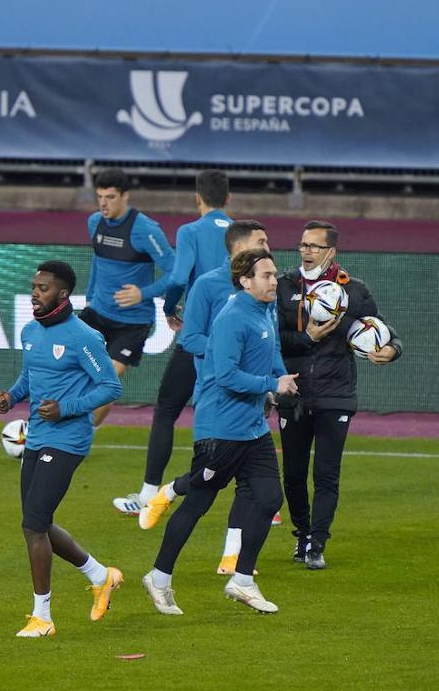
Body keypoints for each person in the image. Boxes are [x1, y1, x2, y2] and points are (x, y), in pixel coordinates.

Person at [141, 249, 296, 616]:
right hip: (220, 431)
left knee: (269, 497)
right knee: (198, 502)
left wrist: (285, 383)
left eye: (274, 274)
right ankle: (159, 577)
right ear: (245, 281)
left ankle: (242, 580)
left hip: (253, 429)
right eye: (266, 275)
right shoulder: (231, 318)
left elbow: (271, 354)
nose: (274, 281)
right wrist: (272, 384)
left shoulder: (264, 311)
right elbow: (226, 377)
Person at [0, 261, 124, 637]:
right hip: (36, 438)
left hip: (68, 440)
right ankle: (102, 576)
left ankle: (43, 618)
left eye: (43, 288)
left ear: (63, 294)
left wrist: (67, 408)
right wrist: (11, 397)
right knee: (39, 522)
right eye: (34, 286)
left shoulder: (84, 336)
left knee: (33, 524)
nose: (35, 293)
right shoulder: (30, 332)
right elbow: (30, 377)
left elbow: (110, 387)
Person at [275, 221, 402, 570]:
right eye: (303, 244)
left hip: (336, 394)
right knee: (294, 474)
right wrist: (308, 339)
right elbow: (275, 337)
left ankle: (317, 543)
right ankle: (302, 534)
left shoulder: (355, 291)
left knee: (327, 474)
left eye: (314, 246)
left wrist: (392, 350)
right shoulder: (284, 286)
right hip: (295, 392)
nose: (306, 251)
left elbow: (384, 331)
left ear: (331, 251)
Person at [112, 170, 233, 516]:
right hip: (234, 335)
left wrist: (166, 306)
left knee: (166, 410)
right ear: (228, 199)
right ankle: (264, 504)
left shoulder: (191, 231)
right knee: (244, 414)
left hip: (197, 336)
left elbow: (179, 277)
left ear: (198, 198)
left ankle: (149, 494)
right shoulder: (243, 234)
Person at [79, 168, 175, 429]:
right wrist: (89, 299)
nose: (103, 203)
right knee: (66, 372)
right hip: (96, 314)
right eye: (100, 196)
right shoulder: (94, 222)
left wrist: (143, 294)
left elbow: (175, 272)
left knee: (105, 383)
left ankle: (81, 438)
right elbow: (97, 261)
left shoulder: (145, 230)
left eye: (110, 197)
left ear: (125, 197)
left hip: (131, 324)